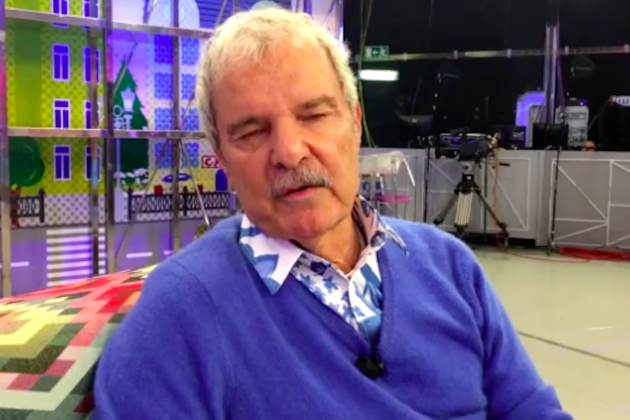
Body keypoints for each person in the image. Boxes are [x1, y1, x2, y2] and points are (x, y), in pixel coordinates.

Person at [94, 8, 572, 420]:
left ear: (354, 122)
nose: (290, 152)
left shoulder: (449, 266)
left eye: (314, 115)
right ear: (220, 158)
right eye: (252, 132)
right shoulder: (179, 314)